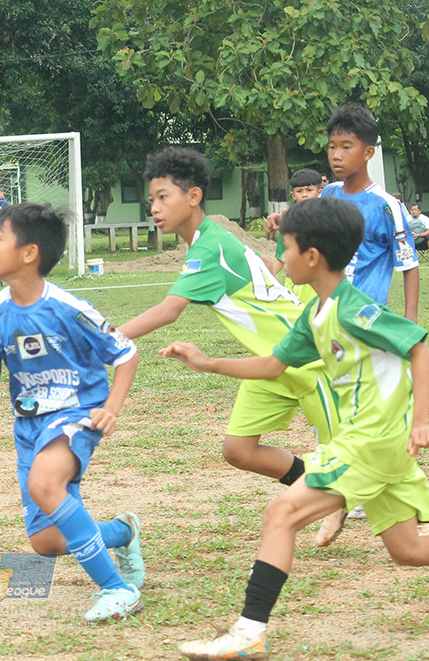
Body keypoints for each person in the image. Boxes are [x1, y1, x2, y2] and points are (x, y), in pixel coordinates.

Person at [165, 197, 429, 659]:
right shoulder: (315, 314)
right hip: (377, 447)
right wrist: (209, 363)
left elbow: (420, 350)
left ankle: (249, 632)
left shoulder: (354, 310)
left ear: (312, 257)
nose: (280, 259)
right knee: (408, 549)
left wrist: (423, 422)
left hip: (371, 443)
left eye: (285, 248)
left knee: (280, 515)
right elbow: (272, 364)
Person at [119, 148, 344, 542]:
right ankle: (322, 486)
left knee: (355, 458)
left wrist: (100, 339)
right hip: (269, 362)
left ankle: (428, 518)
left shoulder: (209, 248)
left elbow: (169, 310)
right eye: (150, 199)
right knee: (239, 450)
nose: (154, 207)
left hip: (306, 357)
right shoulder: (210, 241)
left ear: (193, 197)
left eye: (162, 197)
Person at [0, 202, 145, 621]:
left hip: (76, 413)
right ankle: (123, 532)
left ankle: (117, 589)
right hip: (28, 425)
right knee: (46, 541)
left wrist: (111, 409)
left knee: (45, 483)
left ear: (29, 253)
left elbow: (126, 353)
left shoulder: (69, 308)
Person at [267, 103, 419, 321]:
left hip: (366, 317)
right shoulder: (329, 193)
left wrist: (410, 320)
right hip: (327, 314)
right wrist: (282, 219)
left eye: (346, 147)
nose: (336, 155)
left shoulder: (386, 206)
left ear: (368, 152)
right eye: (332, 147)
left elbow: (410, 265)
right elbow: (309, 221)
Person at [263, 168, 323, 303]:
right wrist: (266, 277)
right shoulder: (288, 222)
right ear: (293, 195)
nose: (305, 195)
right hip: (295, 285)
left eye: (309, 190)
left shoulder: (328, 218)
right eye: (299, 191)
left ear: (319, 191)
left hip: (319, 286)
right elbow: (281, 257)